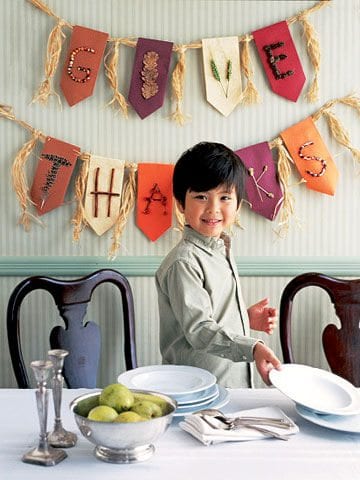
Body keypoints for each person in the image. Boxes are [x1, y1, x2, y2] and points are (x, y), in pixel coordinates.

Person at [155, 141, 281, 388]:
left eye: (224, 197)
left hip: (230, 388)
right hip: (198, 392)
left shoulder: (220, 248)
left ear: (238, 203)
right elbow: (200, 330)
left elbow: (208, 315)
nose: (213, 209)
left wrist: (243, 319)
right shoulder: (184, 262)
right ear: (181, 204)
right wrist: (252, 347)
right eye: (201, 197)